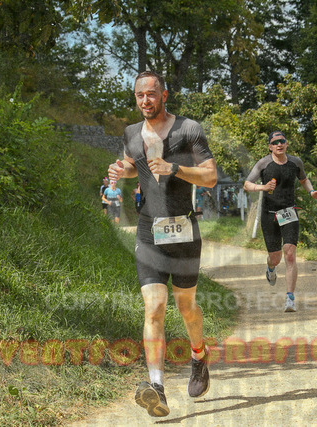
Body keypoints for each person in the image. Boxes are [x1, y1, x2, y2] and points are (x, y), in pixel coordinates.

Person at [107, 71, 217, 417]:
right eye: (140, 95)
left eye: (151, 94)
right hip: (148, 231)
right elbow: (133, 165)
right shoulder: (131, 133)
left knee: (186, 307)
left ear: (164, 95)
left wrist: (175, 168)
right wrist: (120, 170)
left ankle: (199, 355)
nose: (145, 101)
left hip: (183, 231)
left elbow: (211, 176)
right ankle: (156, 387)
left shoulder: (188, 129)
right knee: (154, 307)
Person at [243, 130, 317, 313]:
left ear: (286, 144)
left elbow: (304, 179)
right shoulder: (263, 163)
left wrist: (311, 192)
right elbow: (247, 184)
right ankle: (270, 266)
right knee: (276, 258)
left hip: (288, 212)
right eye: (275, 142)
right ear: (270, 146)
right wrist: (262, 187)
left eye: (282, 141)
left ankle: (290, 298)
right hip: (269, 214)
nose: (279, 144)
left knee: (290, 254)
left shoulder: (295, 162)